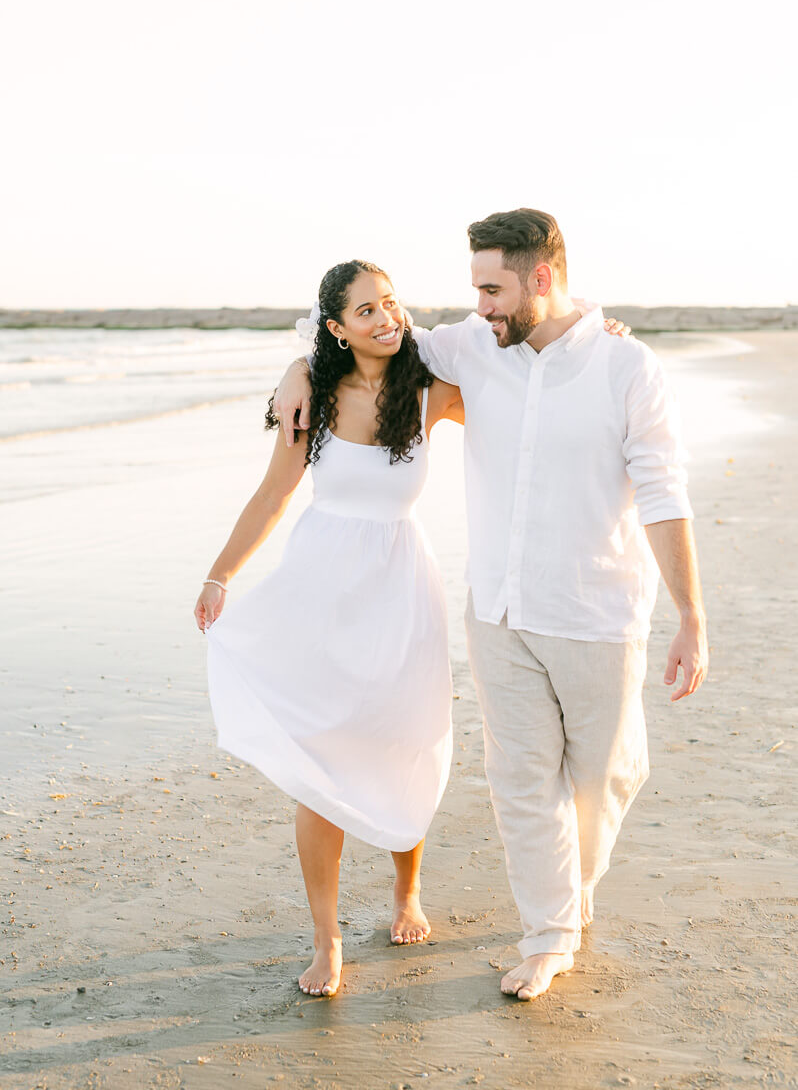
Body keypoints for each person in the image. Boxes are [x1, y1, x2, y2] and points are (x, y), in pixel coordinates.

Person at [273, 208, 708, 1002]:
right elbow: (357, 343)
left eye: (493, 289)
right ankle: (548, 935)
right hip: (500, 615)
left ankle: (571, 897)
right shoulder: (474, 344)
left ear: (542, 279)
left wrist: (690, 615)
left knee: (607, 778)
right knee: (521, 782)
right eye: (475, 289)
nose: (479, 305)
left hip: (596, 612)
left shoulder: (626, 367)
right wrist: (295, 374)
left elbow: (662, 492)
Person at [194, 259, 465, 998]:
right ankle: (327, 937)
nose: (386, 319)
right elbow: (274, 493)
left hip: (404, 589)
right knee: (321, 761)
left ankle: (407, 893)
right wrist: (220, 574)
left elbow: (524, 397)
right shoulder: (311, 394)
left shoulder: (433, 390)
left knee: (404, 744)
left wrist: (589, 336)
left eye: (391, 304)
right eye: (366, 311)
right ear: (337, 329)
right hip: (322, 592)